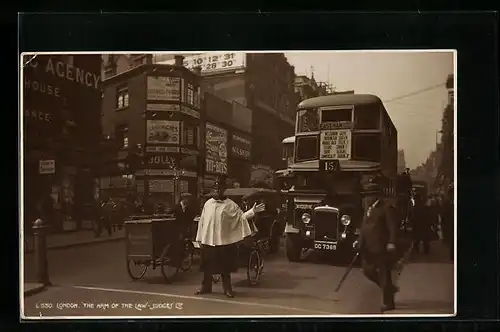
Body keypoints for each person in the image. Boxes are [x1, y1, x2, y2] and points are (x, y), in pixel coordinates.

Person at [195, 175, 265, 298]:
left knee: (224, 268)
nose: (217, 191)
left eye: (220, 189)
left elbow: (240, 218)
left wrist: (252, 212)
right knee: (207, 266)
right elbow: (202, 221)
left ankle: (227, 289)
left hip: (223, 240)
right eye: (215, 189)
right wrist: (199, 238)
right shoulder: (208, 204)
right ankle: (206, 287)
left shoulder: (230, 205)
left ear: (223, 190)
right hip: (208, 240)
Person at [353, 174, 400, 312]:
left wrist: (391, 242)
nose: (367, 198)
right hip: (368, 247)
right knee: (367, 270)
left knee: (384, 274)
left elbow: (392, 227)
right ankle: (389, 289)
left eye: (369, 195)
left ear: (376, 196)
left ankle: (388, 302)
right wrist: (358, 241)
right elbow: (364, 227)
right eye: (366, 195)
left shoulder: (386, 208)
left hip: (381, 247)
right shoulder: (368, 209)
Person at [441, 185, 454, 261]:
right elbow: (444, 214)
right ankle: (452, 256)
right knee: (451, 240)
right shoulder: (447, 203)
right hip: (450, 224)